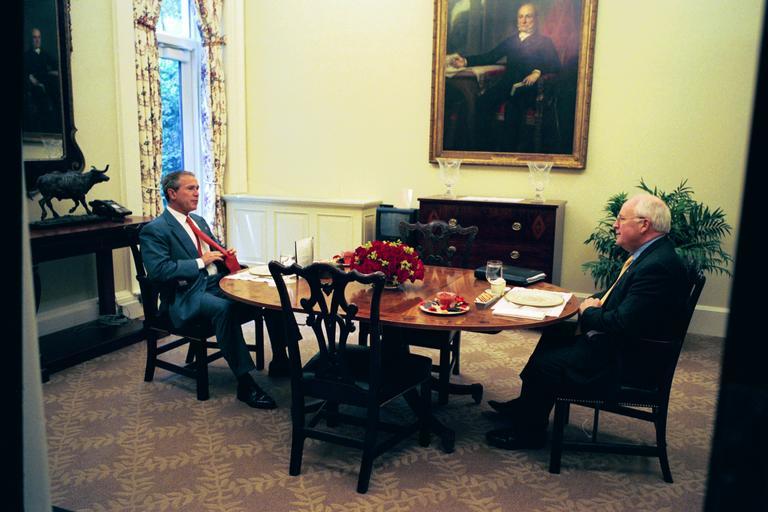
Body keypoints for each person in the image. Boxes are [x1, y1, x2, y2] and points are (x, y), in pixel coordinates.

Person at [485, 193, 690, 450]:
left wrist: (589, 312)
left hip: (629, 361)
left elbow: (621, 323)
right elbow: (619, 295)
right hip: (626, 345)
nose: (615, 225)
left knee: (548, 364)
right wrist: (593, 302)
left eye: (621, 219)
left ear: (644, 225)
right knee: (556, 333)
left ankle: (529, 433)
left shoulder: (656, 266)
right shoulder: (653, 254)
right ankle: (527, 407)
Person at [139, 171, 289, 409]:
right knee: (224, 308)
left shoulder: (198, 221)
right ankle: (245, 383)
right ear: (172, 193)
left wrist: (224, 256)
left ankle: (281, 359)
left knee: (269, 291)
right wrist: (201, 261)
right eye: (190, 188)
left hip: (215, 282)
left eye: (198, 188)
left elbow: (214, 254)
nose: (197, 193)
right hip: (185, 294)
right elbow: (158, 271)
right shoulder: (155, 229)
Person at [447, 2, 561, 152]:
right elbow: (490, 56)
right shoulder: (512, 41)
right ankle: (483, 149)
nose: (523, 20)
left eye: (528, 16)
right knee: (482, 102)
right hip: (506, 85)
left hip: (527, 87)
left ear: (536, 19)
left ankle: (509, 152)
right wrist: (466, 61)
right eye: (520, 17)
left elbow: (555, 65)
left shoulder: (544, 42)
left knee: (512, 110)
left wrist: (537, 72)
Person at [24, 27, 61, 133]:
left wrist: (53, 72)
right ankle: (45, 130)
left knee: (57, 96)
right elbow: (26, 74)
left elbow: (58, 67)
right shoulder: (26, 56)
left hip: (48, 84)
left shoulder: (45, 54)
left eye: (39, 37)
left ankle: (58, 128)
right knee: (42, 100)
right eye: (34, 37)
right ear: (30, 40)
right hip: (35, 86)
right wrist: (32, 80)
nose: (37, 40)